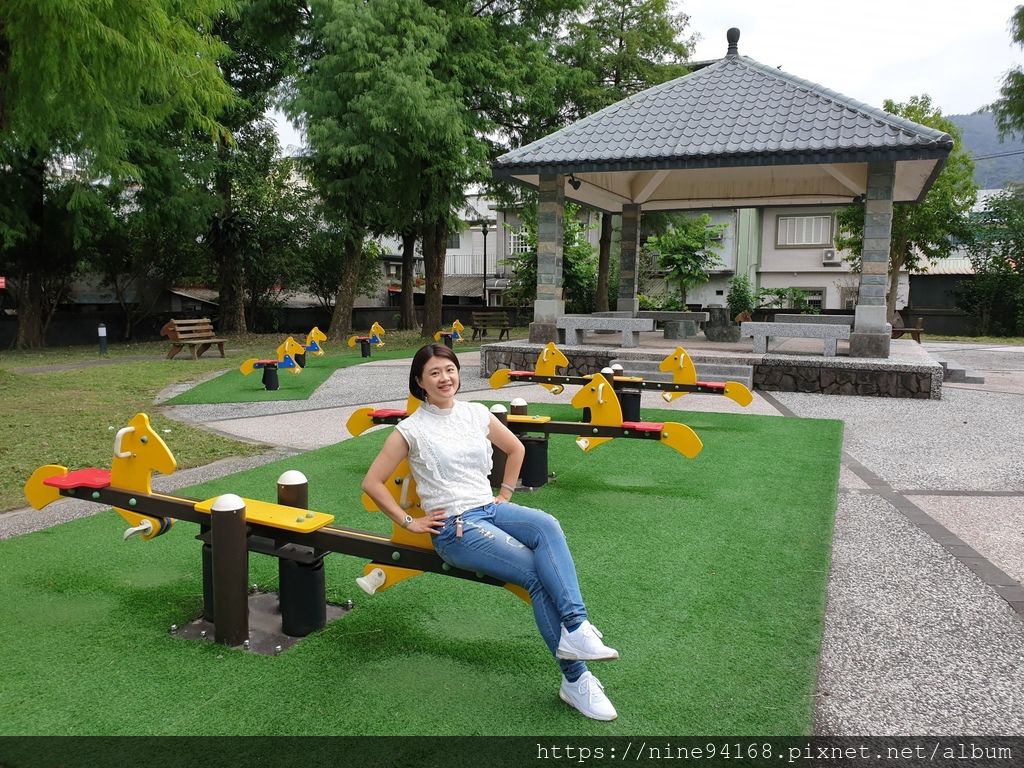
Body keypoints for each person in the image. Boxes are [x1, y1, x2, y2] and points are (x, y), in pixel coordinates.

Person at [361, 343, 619, 721]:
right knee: (534, 575)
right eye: (434, 373)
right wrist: (409, 522)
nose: (445, 378)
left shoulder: (475, 413)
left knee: (547, 525)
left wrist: (505, 494)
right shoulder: (410, 429)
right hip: (455, 528)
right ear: (420, 381)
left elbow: (515, 449)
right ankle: (576, 680)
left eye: (449, 369)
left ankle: (577, 628)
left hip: (489, 509)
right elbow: (373, 482)